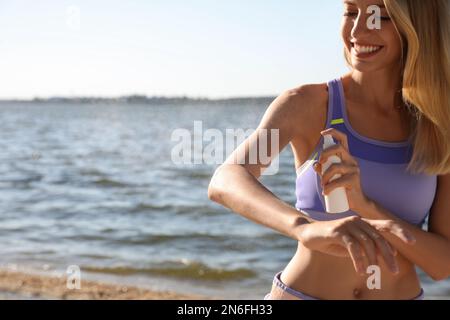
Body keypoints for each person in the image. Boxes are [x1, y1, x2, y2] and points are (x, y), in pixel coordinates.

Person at [208, 0, 450, 300]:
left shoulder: (438, 123)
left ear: (417, 26)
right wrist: (303, 228)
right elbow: (226, 178)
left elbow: (442, 264)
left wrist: (367, 208)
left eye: (380, 16)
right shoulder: (308, 105)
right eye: (350, 12)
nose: (359, 29)